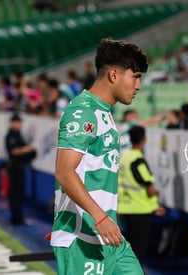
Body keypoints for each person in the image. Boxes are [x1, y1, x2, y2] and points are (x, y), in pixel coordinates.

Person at [51, 37, 148, 275]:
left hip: (110, 237)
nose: (138, 86)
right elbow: (65, 172)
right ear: (114, 75)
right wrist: (99, 218)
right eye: (135, 77)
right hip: (82, 240)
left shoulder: (104, 111)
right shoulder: (82, 111)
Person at [118, 126, 164, 262]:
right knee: (138, 248)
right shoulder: (138, 160)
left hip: (125, 207)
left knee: (130, 246)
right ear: (144, 139)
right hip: (140, 209)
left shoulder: (124, 156)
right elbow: (148, 188)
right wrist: (156, 196)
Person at [5, 113, 36, 225]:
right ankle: (16, 217)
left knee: (19, 194)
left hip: (20, 168)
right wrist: (27, 149)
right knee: (15, 193)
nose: (20, 125)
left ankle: (18, 217)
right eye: (18, 122)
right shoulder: (11, 135)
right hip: (14, 168)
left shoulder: (18, 135)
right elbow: (14, 151)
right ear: (13, 123)